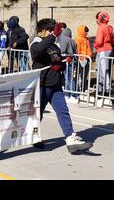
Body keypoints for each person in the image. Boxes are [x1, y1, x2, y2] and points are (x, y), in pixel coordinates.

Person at [30, 18, 93, 154]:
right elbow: (38, 52)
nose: (54, 33)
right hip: (42, 84)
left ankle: (70, 138)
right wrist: (52, 36)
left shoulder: (54, 45)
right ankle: (34, 136)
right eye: (51, 30)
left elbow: (56, 58)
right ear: (42, 32)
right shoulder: (36, 42)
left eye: (54, 30)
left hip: (55, 84)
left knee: (63, 112)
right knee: (38, 113)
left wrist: (62, 63)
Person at [56, 23, 78, 101]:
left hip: (67, 61)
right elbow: (76, 51)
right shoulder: (72, 40)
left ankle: (71, 94)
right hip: (73, 61)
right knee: (71, 78)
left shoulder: (64, 39)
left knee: (68, 78)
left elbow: (62, 50)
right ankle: (71, 94)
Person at [94, 11, 114, 96]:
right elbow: (112, 39)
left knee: (102, 70)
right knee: (107, 70)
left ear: (99, 18)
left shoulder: (101, 27)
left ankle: (104, 90)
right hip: (109, 49)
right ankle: (106, 88)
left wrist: (95, 46)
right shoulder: (109, 27)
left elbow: (99, 41)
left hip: (102, 50)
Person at [74, 25, 93, 93]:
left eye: (87, 32)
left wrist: (89, 56)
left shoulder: (86, 39)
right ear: (82, 31)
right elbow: (77, 50)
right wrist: (81, 58)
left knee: (85, 75)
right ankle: (77, 88)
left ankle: (83, 87)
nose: (86, 33)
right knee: (79, 75)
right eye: (85, 31)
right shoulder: (78, 39)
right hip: (80, 60)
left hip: (87, 59)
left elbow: (88, 49)